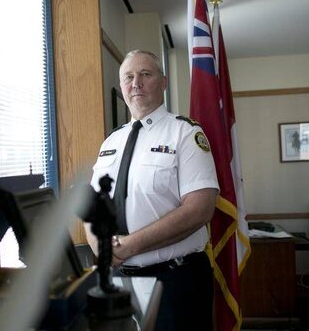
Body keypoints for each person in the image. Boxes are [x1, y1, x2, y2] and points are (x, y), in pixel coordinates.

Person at [85, 49, 219, 330]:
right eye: (128, 77)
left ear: (163, 82)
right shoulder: (111, 141)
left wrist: (127, 246)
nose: (136, 83)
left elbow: (200, 209)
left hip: (175, 282)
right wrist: (100, 246)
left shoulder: (186, 133)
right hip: (118, 281)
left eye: (145, 74)